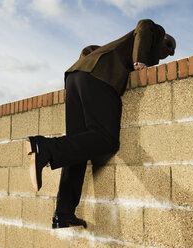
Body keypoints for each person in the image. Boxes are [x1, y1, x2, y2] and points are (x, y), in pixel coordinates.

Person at [25, 19, 176, 229]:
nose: (170, 52)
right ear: (161, 38)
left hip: (76, 77)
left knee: (76, 149)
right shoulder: (153, 32)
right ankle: (45, 148)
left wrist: (84, 69)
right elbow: (145, 25)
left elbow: (88, 50)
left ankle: (63, 214)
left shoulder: (116, 48)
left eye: (172, 52)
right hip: (99, 79)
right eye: (169, 45)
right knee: (106, 139)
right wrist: (140, 61)